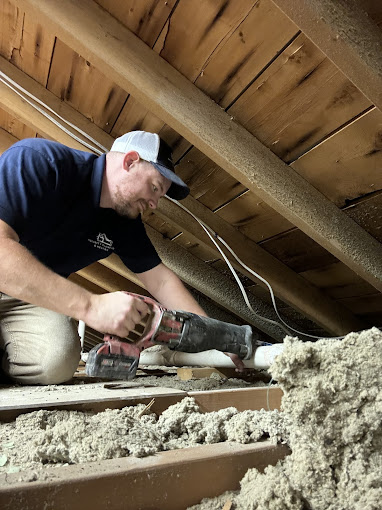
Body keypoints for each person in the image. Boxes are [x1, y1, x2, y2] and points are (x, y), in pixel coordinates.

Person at [0, 130, 209, 385]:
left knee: (57, 360)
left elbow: (160, 280)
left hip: (26, 299)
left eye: (159, 196)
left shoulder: (123, 220)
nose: (154, 203)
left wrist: (213, 336)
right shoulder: (40, 161)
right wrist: (92, 307)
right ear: (130, 161)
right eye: (154, 188)